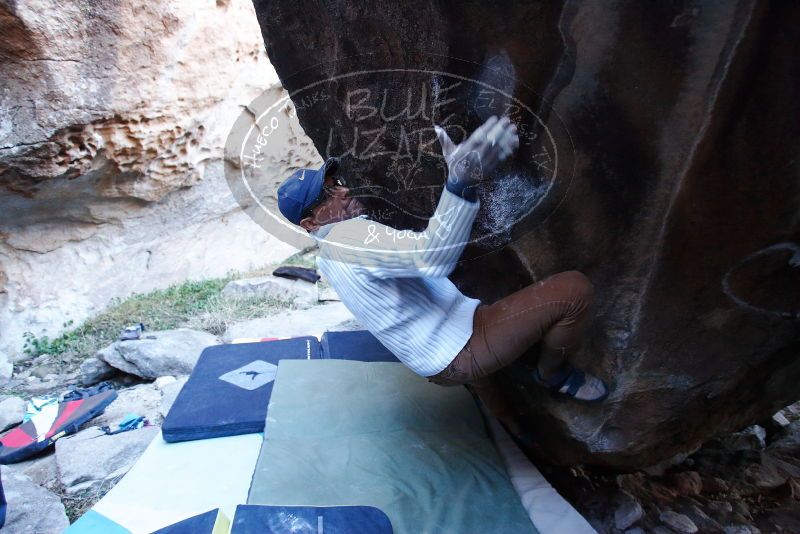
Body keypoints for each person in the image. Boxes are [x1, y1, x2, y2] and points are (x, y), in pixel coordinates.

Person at [276, 116, 609, 428]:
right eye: (326, 196)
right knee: (574, 291)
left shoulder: (332, 251)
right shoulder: (349, 240)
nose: (343, 192)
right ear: (310, 223)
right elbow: (432, 260)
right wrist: (459, 183)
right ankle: (554, 374)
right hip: (458, 350)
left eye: (336, 183)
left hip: (438, 350)